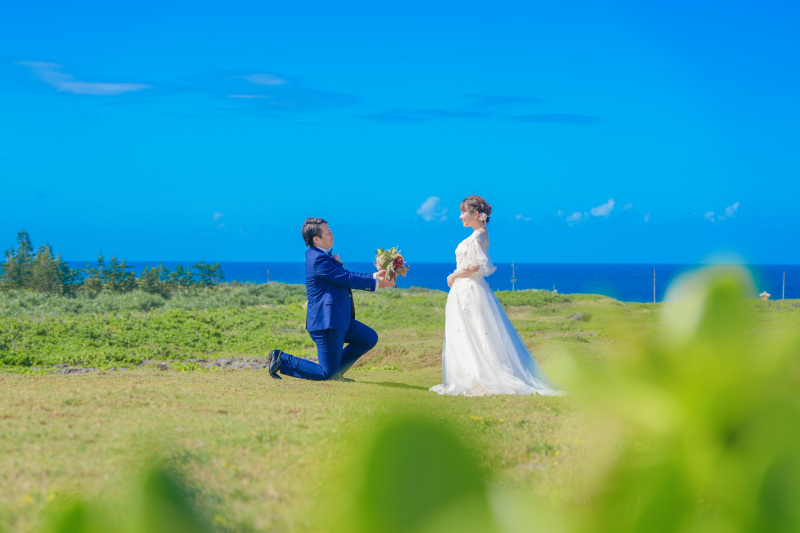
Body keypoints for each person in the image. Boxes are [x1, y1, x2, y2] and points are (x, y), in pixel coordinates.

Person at [430, 195, 565, 396]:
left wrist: (455, 274)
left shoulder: (479, 235)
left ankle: (482, 377)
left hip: (469, 288)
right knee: (466, 331)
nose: (460, 217)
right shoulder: (478, 233)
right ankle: (471, 376)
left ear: (476, 214)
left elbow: (478, 265)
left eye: (463, 212)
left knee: (476, 330)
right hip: (465, 288)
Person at [269, 218, 394, 381]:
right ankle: (282, 360)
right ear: (316, 239)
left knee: (368, 338)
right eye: (328, 232)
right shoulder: (318, 259)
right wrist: (376, 283)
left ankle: (336, 373)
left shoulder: (323, 257)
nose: (332, 234)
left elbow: (345, 275)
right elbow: (346, 279)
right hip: (327, 323)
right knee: (325, 374)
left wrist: (373, 276)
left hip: (338, 319)